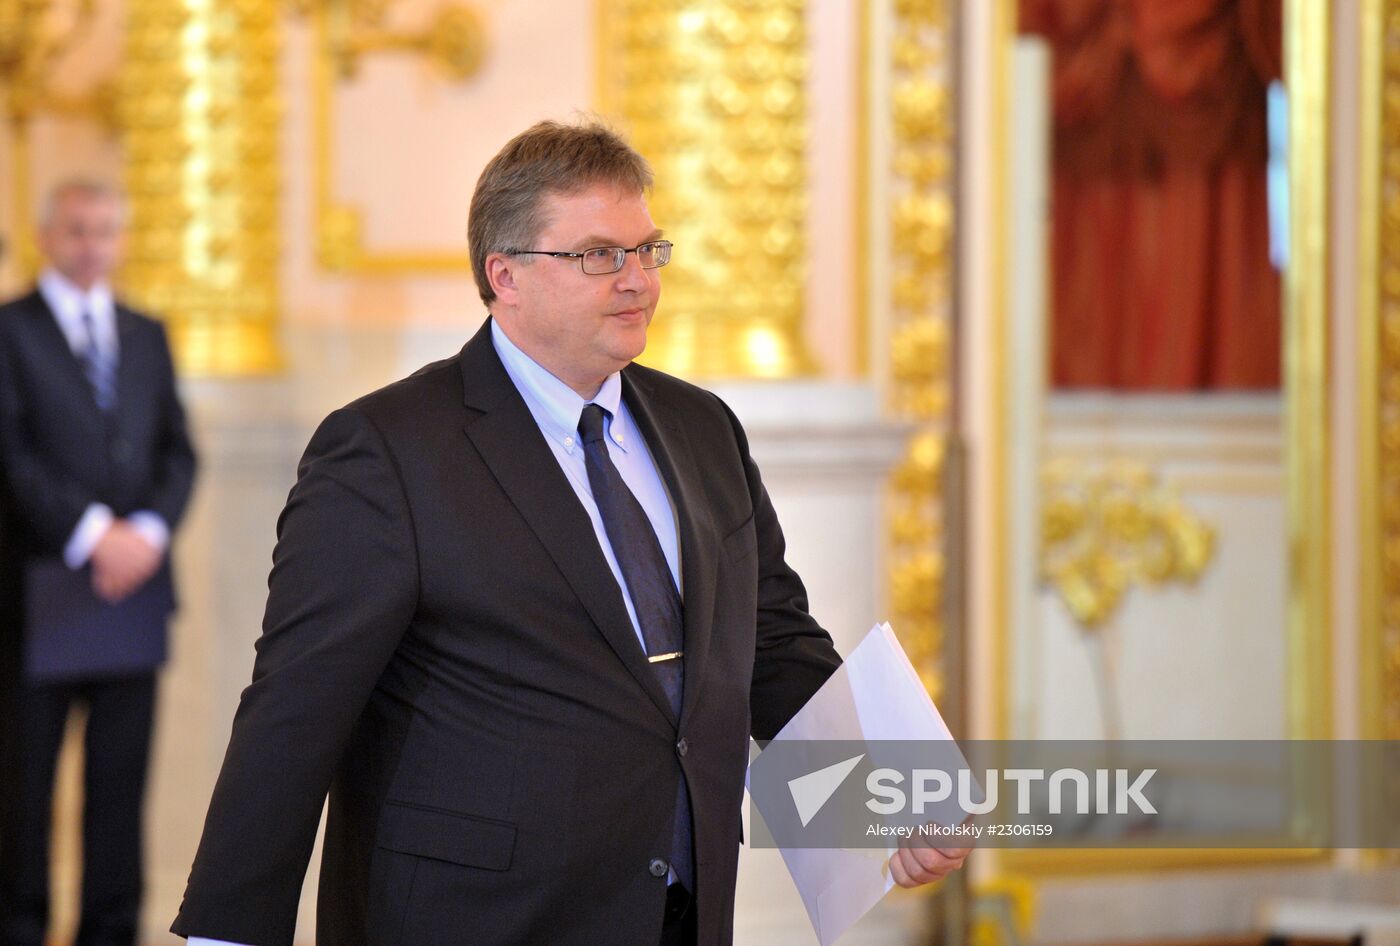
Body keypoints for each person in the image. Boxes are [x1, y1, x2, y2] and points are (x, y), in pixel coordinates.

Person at [172, 120, 967, 946]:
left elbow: (770, 644)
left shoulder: (703, 429)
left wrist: (887, 795)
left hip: (680, 910)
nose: (637, 282)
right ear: (504, 275)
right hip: (473, 919)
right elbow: (295, 710)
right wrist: (227, 934)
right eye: (598, 255)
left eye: (648, 250)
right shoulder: (386, 451)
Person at [0, 179, 198, 946]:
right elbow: (10, 454)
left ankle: (109, 933)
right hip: (35, 596)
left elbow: (177, 451)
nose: (92, 243)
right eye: (78, 229)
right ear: (47, 235)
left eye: (106, 229)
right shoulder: (10, 331)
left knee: (120, 789)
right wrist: (92, 534)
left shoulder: (147, 332)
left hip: (131, 599)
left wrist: (146, 532)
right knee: (23, 789)